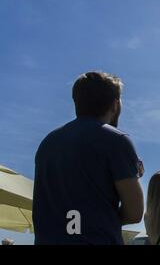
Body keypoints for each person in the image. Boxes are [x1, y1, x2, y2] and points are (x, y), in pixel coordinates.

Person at [33, 72, 144, 245]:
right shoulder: (117, 141)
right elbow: (135, 213)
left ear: (77, 102)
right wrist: (98, 220)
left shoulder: (47, 144)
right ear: (115, 105)